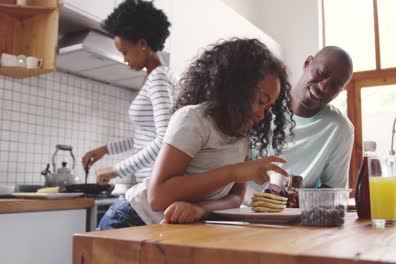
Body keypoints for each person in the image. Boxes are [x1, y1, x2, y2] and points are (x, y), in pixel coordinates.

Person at [98, 38, 295, 229]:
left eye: (269, 108)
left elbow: (235, 198)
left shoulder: (242, 138)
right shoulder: (193, 120)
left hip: (173, 228)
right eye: (261, 101)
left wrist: (199, 209)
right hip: (133, 219)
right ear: (237, 88)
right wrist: (234, 172)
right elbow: (157, 197)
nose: (262, 114)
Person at [81, 0, 179, 185]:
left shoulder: (159, 78)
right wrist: (106, 149)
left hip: (154, 182)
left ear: (142, 44)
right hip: (149, 181)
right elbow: (147, 135)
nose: (124, 59)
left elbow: (166, 139)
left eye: (125, 51)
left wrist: (116, 170)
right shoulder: (153, 77)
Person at [244, 46, 354, 205]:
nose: (323, 87)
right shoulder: (261, 105)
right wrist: (263, 200)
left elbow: (334, 193)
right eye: (321, 74)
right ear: (308, 63)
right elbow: (226, 173)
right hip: (239, 214)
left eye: (335, 86)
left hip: (295, 221)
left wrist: (302, 195)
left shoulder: (340, 129)